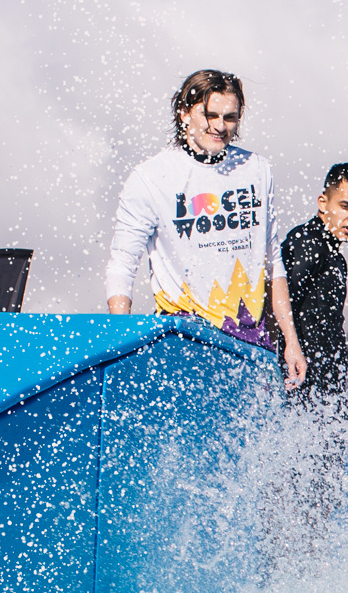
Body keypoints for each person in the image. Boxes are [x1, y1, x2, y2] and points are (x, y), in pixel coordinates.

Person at [105, 69, 307, 388]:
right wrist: (120, 344)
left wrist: (291, 340)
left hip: (252, 343)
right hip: (184, 344)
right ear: (184, 113)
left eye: (230, 117)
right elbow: (122, 265)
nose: (219, 126)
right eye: (209, 114)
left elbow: (273, 264)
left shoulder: (257, 169)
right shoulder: (150, 177)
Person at [280, 163, 348, 411]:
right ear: (323, 203)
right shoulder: (306, 244)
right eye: (346, 206)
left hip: (327, 387)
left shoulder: (332, 253)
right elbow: (278, 306)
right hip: (302, 385)